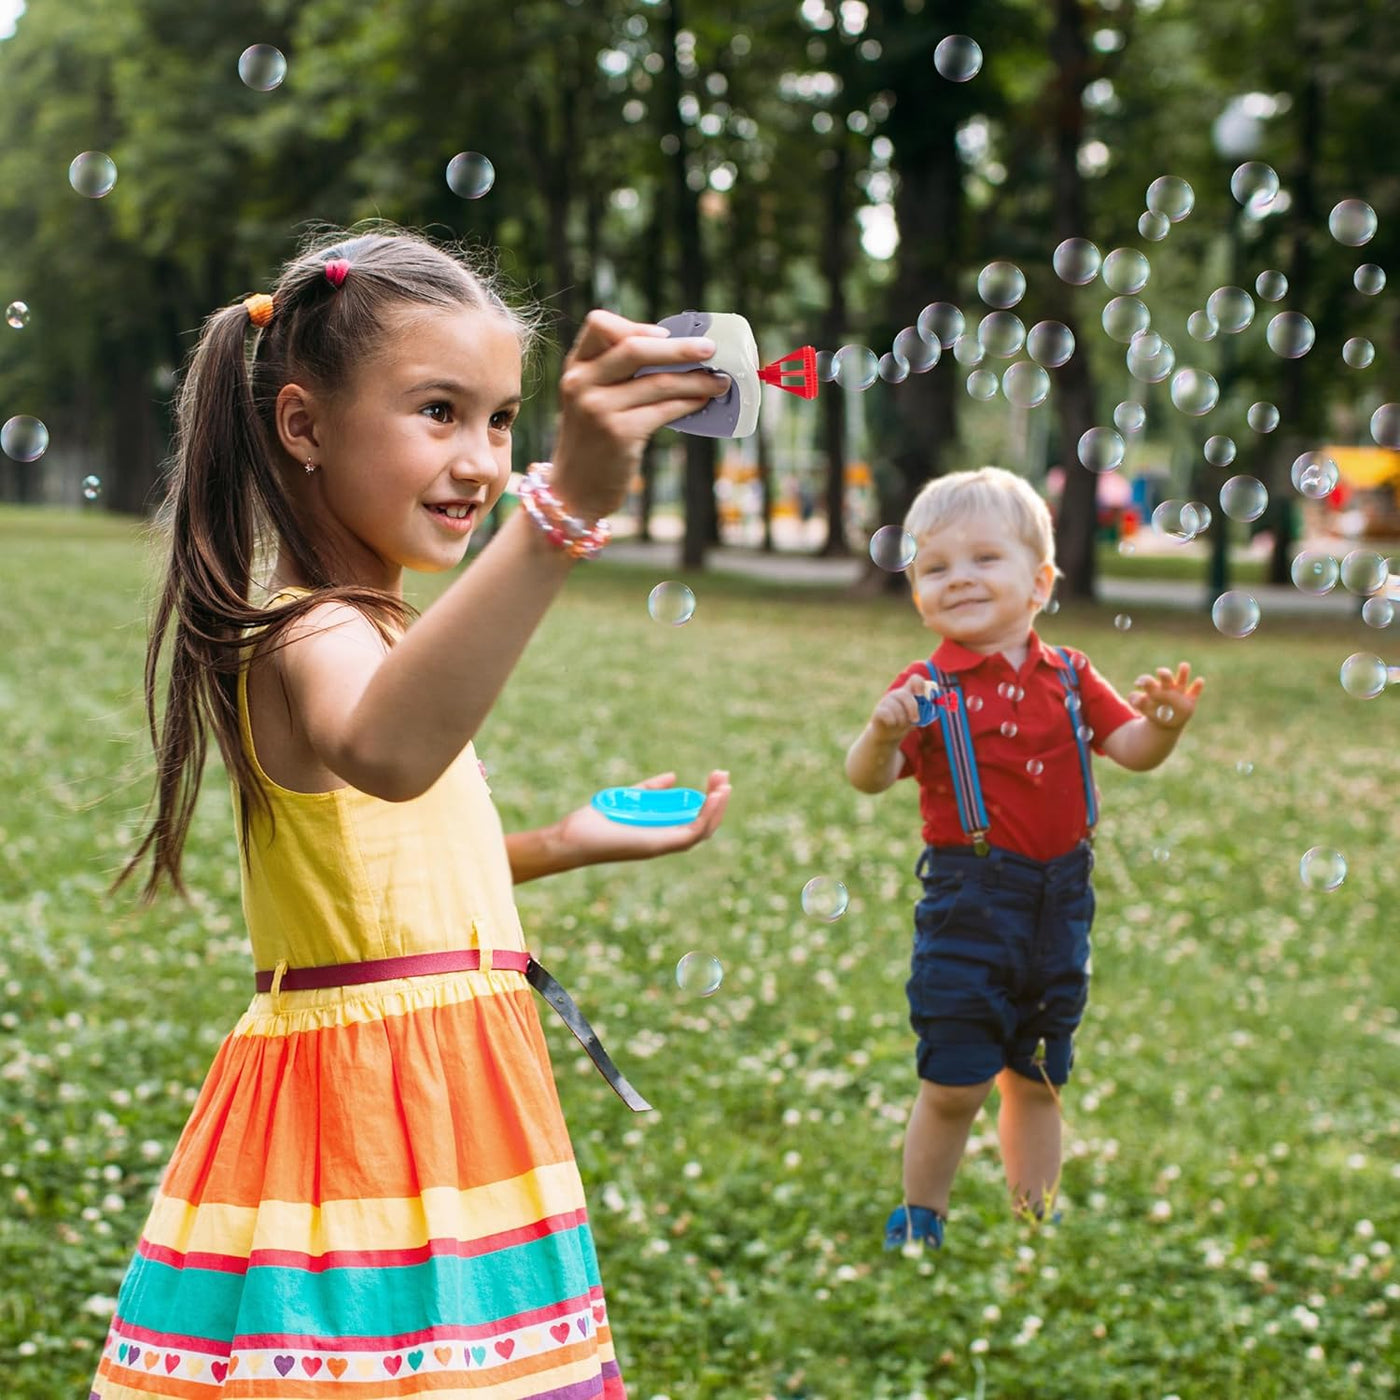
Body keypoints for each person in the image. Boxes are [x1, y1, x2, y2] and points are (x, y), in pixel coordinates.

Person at [92, 226, 733, 1398]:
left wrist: (561, 843)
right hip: (369, 1119)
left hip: (448, 1092)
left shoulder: (377, 625)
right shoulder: (305, 628)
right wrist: (564, 505)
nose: (481, 460)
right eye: (438, 410)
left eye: (499, 420)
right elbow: (388, 751)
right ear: (303, 425)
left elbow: (381, 871)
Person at [844, 466, 1204, 1252]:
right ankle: (922, 1214)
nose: (959, 579)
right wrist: (879, 733)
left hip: (1059, 906)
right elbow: (867, 778)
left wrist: (1166, 726)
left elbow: (1132, 749)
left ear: (1039, 583)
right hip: (968, 908)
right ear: (915, 592)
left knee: (1039, 1078)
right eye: (935, 568)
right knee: (954, 1082)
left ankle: (1036, 1211)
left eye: (983, 559)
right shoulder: (926, 687)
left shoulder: (1071, 675)